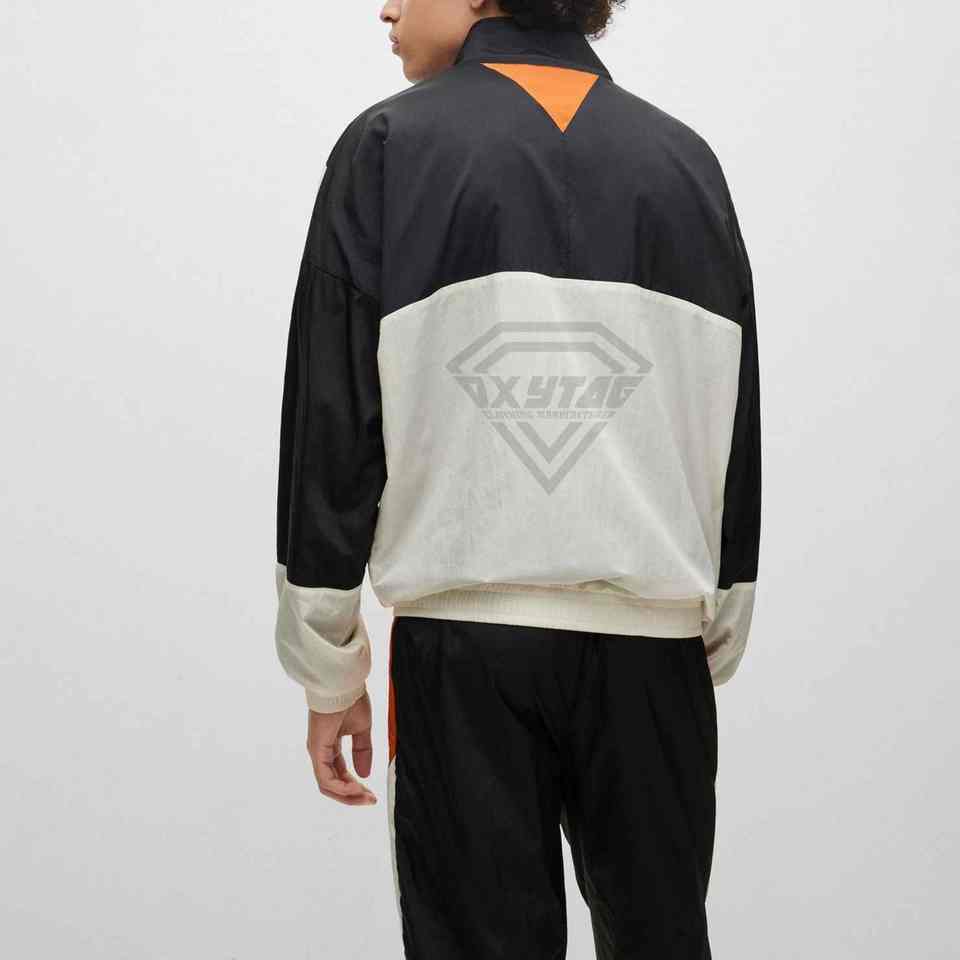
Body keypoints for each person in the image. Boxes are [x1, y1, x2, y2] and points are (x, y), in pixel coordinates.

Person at [274, 1, 761, 956]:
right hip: (654, 652)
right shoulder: (685, 164)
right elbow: (731, 414)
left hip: (466, 651)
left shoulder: (389, 146)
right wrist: (715, 623)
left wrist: (328, 666)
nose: (387, 6)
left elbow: (332, 417)